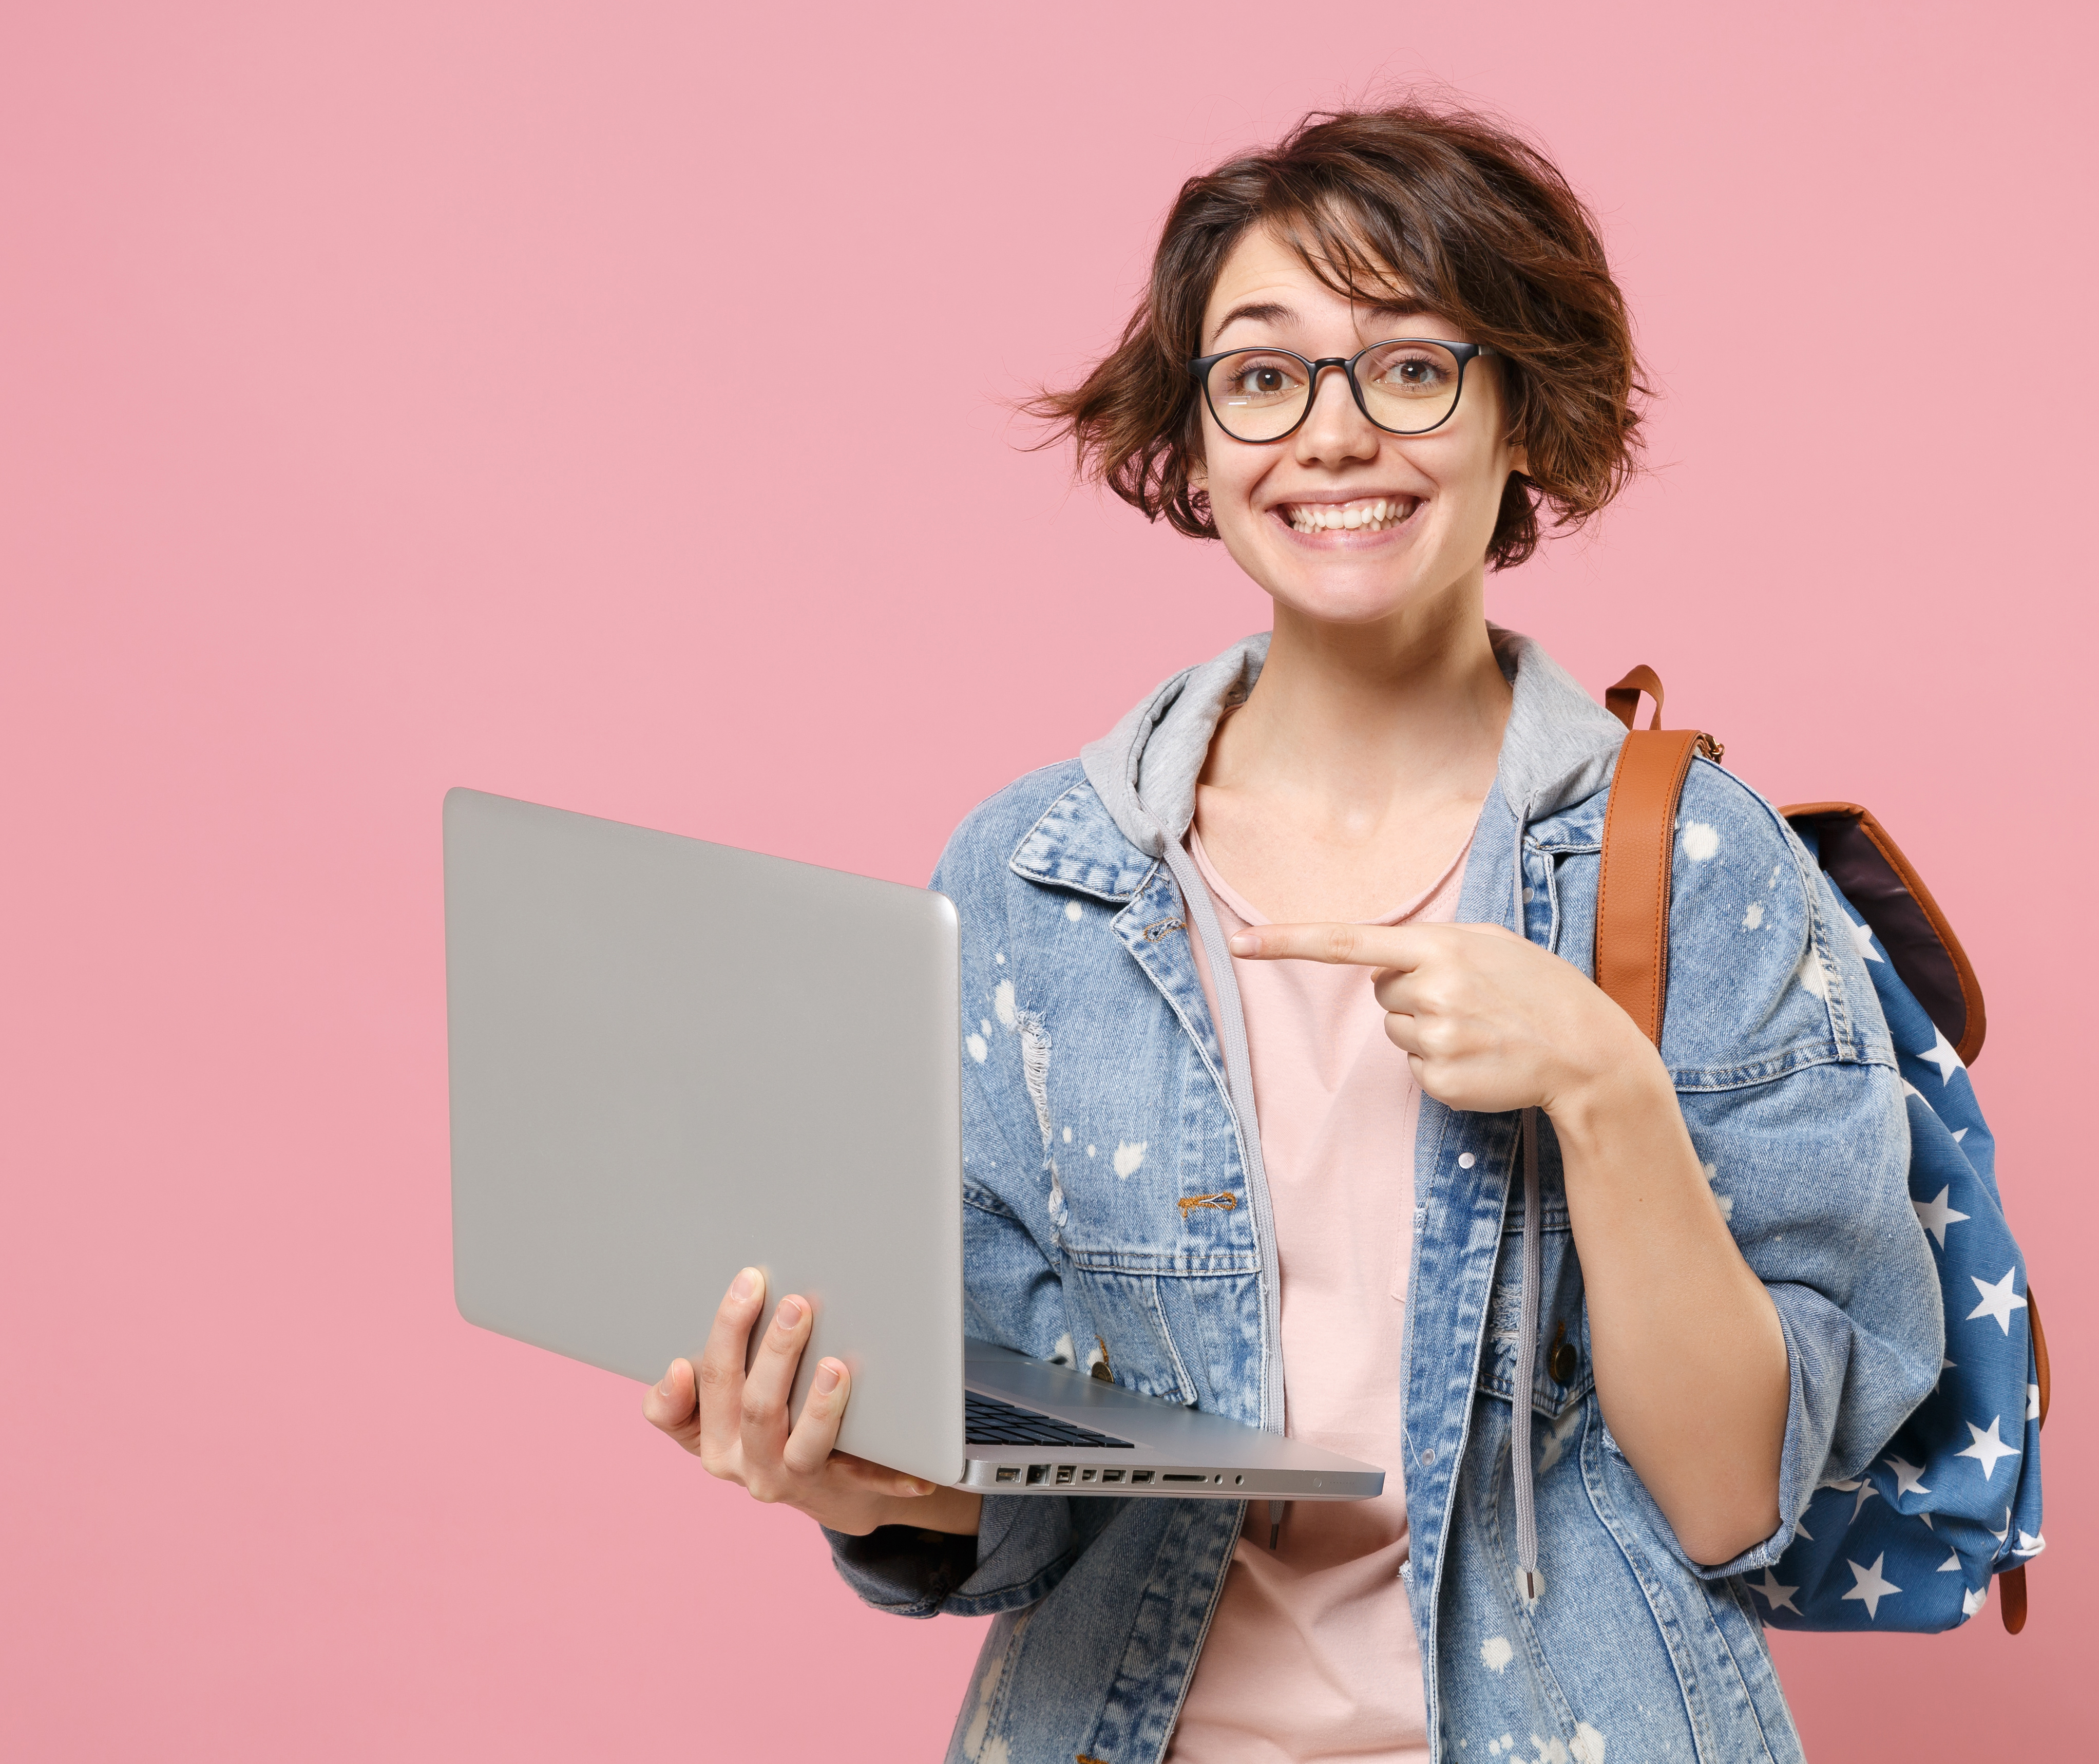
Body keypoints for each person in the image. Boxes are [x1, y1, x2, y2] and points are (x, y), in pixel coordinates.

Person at [640, 103, 1942, 1763]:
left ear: (1523, 415)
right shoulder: (1036, 877)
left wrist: (1606, 1090)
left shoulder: (1693, 862)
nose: (1330, 434)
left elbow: (1735, 1505)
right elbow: (1027, 1500)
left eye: (1409, 367)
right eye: (1263, 376)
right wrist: (858, 1479)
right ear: (1196, 441)